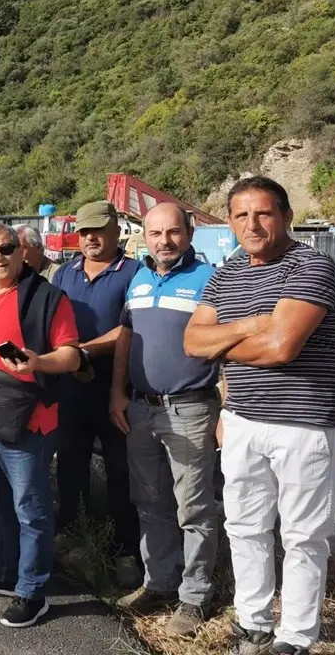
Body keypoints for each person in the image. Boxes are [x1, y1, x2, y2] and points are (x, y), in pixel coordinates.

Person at [184, 176, 335, 655]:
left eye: (263, 213)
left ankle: (296, 636)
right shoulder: (227, 274)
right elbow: (192, 343)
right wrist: (254, 325)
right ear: (230, 221)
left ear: (286, 217)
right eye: (240, 215)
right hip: (241, 420)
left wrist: (230, 340)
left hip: (305, 425)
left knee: (302, 536)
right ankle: (252, 620)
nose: (252, 225)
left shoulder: (313, 266)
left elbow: (282, 347)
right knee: (245, 525)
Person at [0, 224, 80, 629]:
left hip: (27, 422)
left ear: (22, 251)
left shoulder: (47, 298)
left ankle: (33, 592)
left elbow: (72, 357)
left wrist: (38, 362)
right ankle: (4, 574)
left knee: (31, 508)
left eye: (6, 249)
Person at [108, 204, 221, 637]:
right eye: (155, 233)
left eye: (173, 232)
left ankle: (194, 597)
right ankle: (159, 583)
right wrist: (117, 393)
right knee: (150, 501)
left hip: (190, 407)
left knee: (193, 506)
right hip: (139, 407)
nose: (163, 241)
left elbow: (225, 347)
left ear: (189, 233)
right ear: (144, 236)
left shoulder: (209, 280)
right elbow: (126, 338)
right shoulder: (137, 278)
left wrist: (226, 409)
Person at [51, 200, 143, 588]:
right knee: (70, 466)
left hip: (117, 391)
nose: (90, 238)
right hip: (71, 391)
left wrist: (83, 351)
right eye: (84, 231)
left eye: (98, 231)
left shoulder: (135, 273)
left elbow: (128, 329)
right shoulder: (62, 273)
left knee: (122, 473)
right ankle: (70, 536)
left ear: (115, 230)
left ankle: (125, 550)